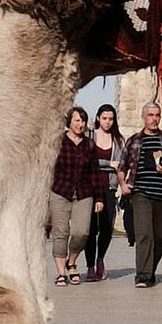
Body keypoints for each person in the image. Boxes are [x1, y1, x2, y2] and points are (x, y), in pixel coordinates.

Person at [118, 101, 162, 287]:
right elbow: (122, 167)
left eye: (157, 115)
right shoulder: (134, 140)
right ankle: (143, 276)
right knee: (144, 234)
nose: (154, 119)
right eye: (150, 115)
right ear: (143, 117)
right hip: (140, 193)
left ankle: (149, 270)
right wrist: (123, 185)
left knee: (161, 237)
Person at [47, 106, 101, 285]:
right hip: (60, 191)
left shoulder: (90, 145)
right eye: (77, 120)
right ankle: (61, 272)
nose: (81, 124)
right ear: (69, 122)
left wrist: (99, 198)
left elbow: (95, 172)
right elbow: (48, 167)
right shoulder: (57, 141)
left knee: (81, 232)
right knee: (60, 232)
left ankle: (72, 261)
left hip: (84, 193)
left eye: (83, 121)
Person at [86, 103, 121, 281]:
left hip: (109, 187)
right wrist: (108, 165)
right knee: (91, 228)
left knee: (107, 228)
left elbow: (120, 164)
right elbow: (88, 162)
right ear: (98, 118)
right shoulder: (89, 137)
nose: (107, 122)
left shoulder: (117, 141)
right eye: (104, 118)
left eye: (111, 119)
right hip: (90, 187)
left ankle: (100, 260)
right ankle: (90, 266)